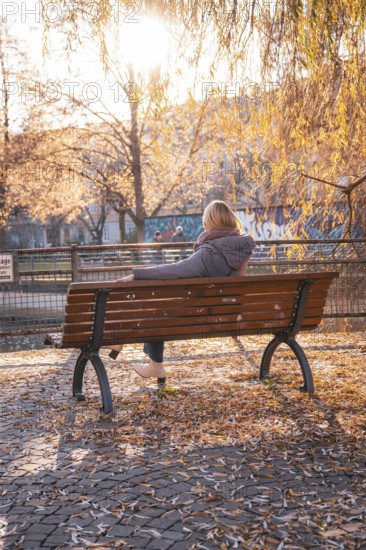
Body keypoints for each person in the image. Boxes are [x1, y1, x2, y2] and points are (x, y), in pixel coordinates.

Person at [112, 201, 256, 382]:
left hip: (199, 317)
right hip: (227, 313)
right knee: (159, 306)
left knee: (154, 310)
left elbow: (178, 269)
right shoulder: (241, 248)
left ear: (209, 222)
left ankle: (141, 354)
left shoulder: (210, 252)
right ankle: (124, 343)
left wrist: (137, 275)